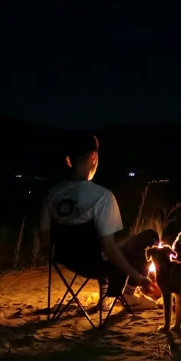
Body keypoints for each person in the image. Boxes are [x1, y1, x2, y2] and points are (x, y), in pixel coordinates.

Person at [40, 133, 159, 311]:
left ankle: (105, 297)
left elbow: (45, 244)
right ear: (93, 157)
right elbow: (111, 251)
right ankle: (129, 294)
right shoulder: (102, 197)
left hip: (67, 260)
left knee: (109, 248)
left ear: (68, 160)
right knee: (148, 238)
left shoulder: (52, 194)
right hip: (98, 264)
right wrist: (140, 278)